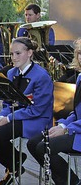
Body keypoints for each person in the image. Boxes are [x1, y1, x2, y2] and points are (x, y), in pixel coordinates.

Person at [0, 37, 54, 185]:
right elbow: (8, 102)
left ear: (30, 53)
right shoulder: (11, 73)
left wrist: (9, 118)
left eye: (18, 53)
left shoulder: (41, 76)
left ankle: (14, 163)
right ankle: (14, 164)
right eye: (12, 54)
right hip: (17, 116)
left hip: (36, 120)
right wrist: (1, 116)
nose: (14, 58)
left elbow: (37, 109)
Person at [27, 37, 81, 185]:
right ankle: (65, 181)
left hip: (78, 132)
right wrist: (61, 125)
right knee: (32, 143)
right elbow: (76, 112)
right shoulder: (80, 77)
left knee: (44, 147)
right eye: (80, 53)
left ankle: (73, 182)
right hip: (76, 129)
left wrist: (66, 129)